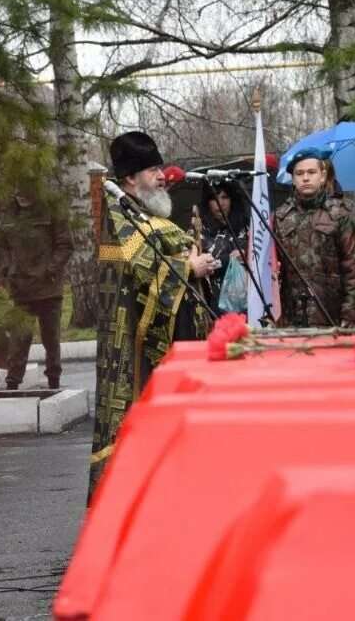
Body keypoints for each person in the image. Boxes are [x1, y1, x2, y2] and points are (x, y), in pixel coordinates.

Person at [90, 131, 217, 497]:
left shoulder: (147, 213)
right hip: (139, 348)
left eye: (160, 167)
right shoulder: (118, 215)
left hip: (177, 342)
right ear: (130, 177)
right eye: (153, 169)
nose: (162, 176)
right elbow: (143, 266)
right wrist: (188, 268)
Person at [274, 147, 355, 327]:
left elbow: (353, 269)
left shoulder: (340, 214)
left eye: (311, 172)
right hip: (293, 317)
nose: (305, 178)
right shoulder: (280, 217)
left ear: (322, 176)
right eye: (299, 173)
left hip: (332, 314)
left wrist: (350, 314)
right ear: (293, 179)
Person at [0, 191, 74, 390]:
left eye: (25, 189)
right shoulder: (10, 213)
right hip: (20, 286)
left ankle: (53, 379)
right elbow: (1, 246)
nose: (20, 195)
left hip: (48, 287)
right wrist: (8, 268)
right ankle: (13, 381)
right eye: (16, 190)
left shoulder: (51, 211)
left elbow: (65, 245)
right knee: (19, 337)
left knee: (51, 337)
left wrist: (51, 269)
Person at [197, 180, 249, 310]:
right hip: (213, 303)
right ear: (207, 202)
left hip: (247, 299)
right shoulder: (198, 231)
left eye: (225, 197)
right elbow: (196, 266)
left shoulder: (247, 226)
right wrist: (228, 260)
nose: (220, 203)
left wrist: (247, 255)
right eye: (214, 198)